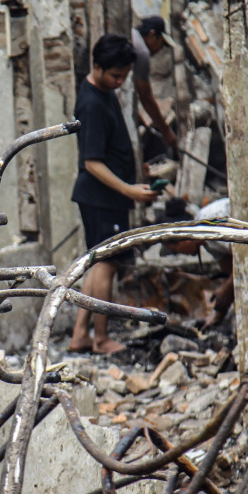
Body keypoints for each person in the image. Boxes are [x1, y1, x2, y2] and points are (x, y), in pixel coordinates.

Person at [69, 35, 158, 354]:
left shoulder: (103, 91)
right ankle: (101, 339)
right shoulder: (92, 102)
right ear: (97, 67)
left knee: (97, 264)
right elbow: (91, 162)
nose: (120, 82)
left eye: (124, 76)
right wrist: (128, 189)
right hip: (100, 197)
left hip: (102, 197)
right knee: (107, 265)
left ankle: (81, 335)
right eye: (115, 76)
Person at [159, 196, 234, 327]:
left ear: (183, 238)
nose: (181, 254)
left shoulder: (210, 223)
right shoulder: (205, 241)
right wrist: (217, 314)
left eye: (177, 250)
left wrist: (226, 289)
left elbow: (246, 258)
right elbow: (230, 272)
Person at [132, 15, 178, 149]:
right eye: (161, 44)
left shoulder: (132, 36)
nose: (160, 49)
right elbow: (145, 97)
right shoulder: (141, 52)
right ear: (152, 35)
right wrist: (166, 131)